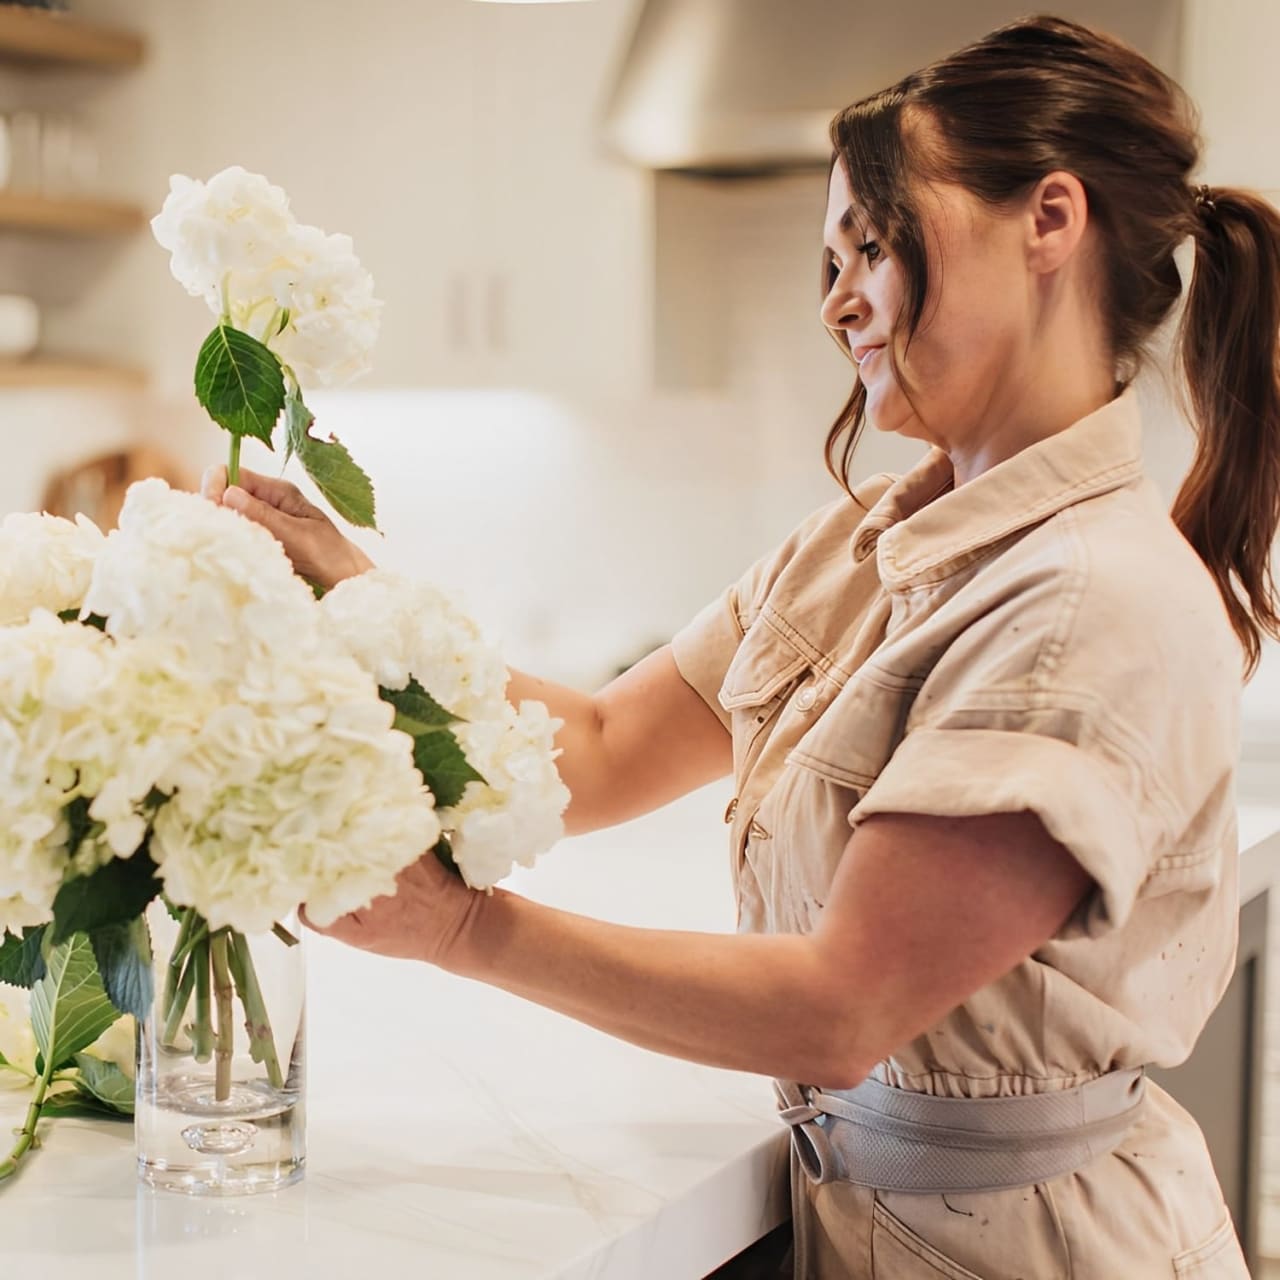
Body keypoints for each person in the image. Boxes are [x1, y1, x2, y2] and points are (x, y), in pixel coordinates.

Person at [201, 16, 1279, 1278]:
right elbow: (598, 749)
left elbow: (840, 1005)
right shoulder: (861, 543)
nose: (836, 301)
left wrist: (462, 930)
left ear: (1049, 218)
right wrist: (359, 600)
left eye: (871, 245)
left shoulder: (1084, 599)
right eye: (829, 258)